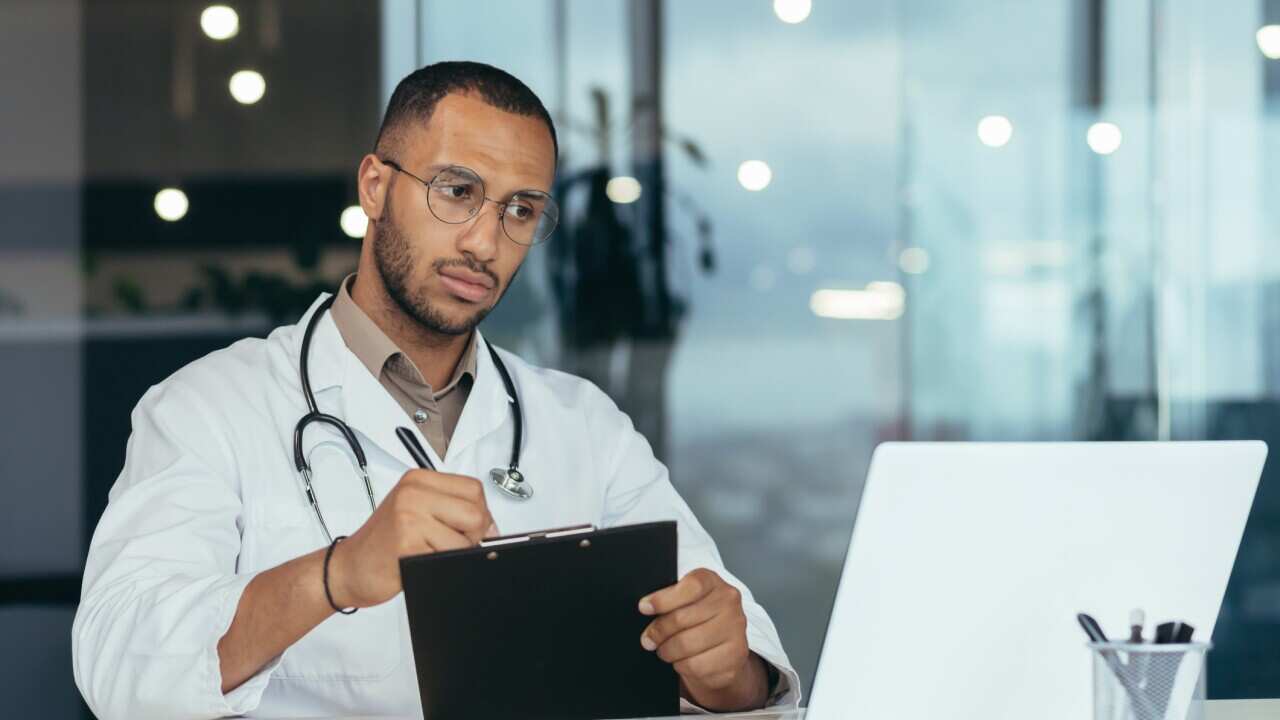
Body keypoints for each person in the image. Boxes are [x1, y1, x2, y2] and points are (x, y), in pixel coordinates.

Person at [72, 61, 797, 719]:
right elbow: (116, 661)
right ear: (375, 187)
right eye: (457, 192)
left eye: (520, 211)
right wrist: (337, 574)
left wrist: (724, 668)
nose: (486, 242)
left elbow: (747, 682)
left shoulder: (585, 427)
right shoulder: (210, 407)